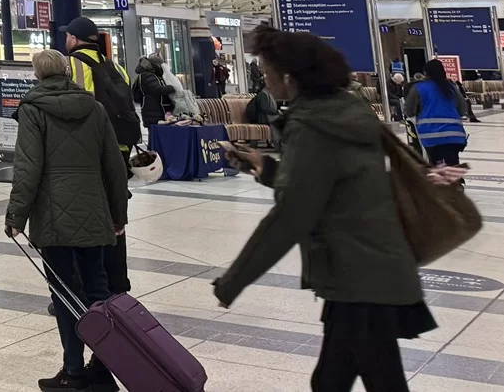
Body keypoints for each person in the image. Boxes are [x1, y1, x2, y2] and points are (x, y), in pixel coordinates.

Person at [215, 25, 429, 392]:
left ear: (288, 77)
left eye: (266, 73)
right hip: (366, 267)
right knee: (332, 380)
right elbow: (324, 184)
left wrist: (234, 280)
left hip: (358, 276)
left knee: (373, 380)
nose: (264, 81)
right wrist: (266, 167)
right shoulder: (342, 112)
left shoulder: (313, 127)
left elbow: (291, 214)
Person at [6, 49, 130, 392]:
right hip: (94, 214)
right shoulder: (95, 107)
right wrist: (119, 215)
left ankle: (73, 372)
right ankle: (105, 368)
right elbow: (115, 168)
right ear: (66, 71)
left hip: (52, 218)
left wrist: (16, 216)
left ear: (37, 75)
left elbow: (27, 167)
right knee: (99, 292)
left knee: (63, 293)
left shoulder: (32, 109)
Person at [64, 17, 136, 295]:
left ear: (73, 39)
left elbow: (70, 110)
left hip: (90, 155)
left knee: (85, 225)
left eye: (68, 36)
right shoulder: (116, 67)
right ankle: (118, 286)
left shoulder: (71, 65)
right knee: (115, 221)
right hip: (120, 153)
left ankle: (85, 289)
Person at [405, 59, 468, 169]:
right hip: (454, 135)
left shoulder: (419, 88)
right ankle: (456, 184)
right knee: (453, 166)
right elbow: (463, 109)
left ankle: (443, 184)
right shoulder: (451, 87)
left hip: (431, 137)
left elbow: (408, 111)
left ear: (425, 73)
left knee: (437, 169)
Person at [133, 55, 175, 127]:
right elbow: (157, 89)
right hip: (153, 112)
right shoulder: (147, 75)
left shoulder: (153, 74)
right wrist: (172, 87)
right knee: (154, 134)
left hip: (156, 111)